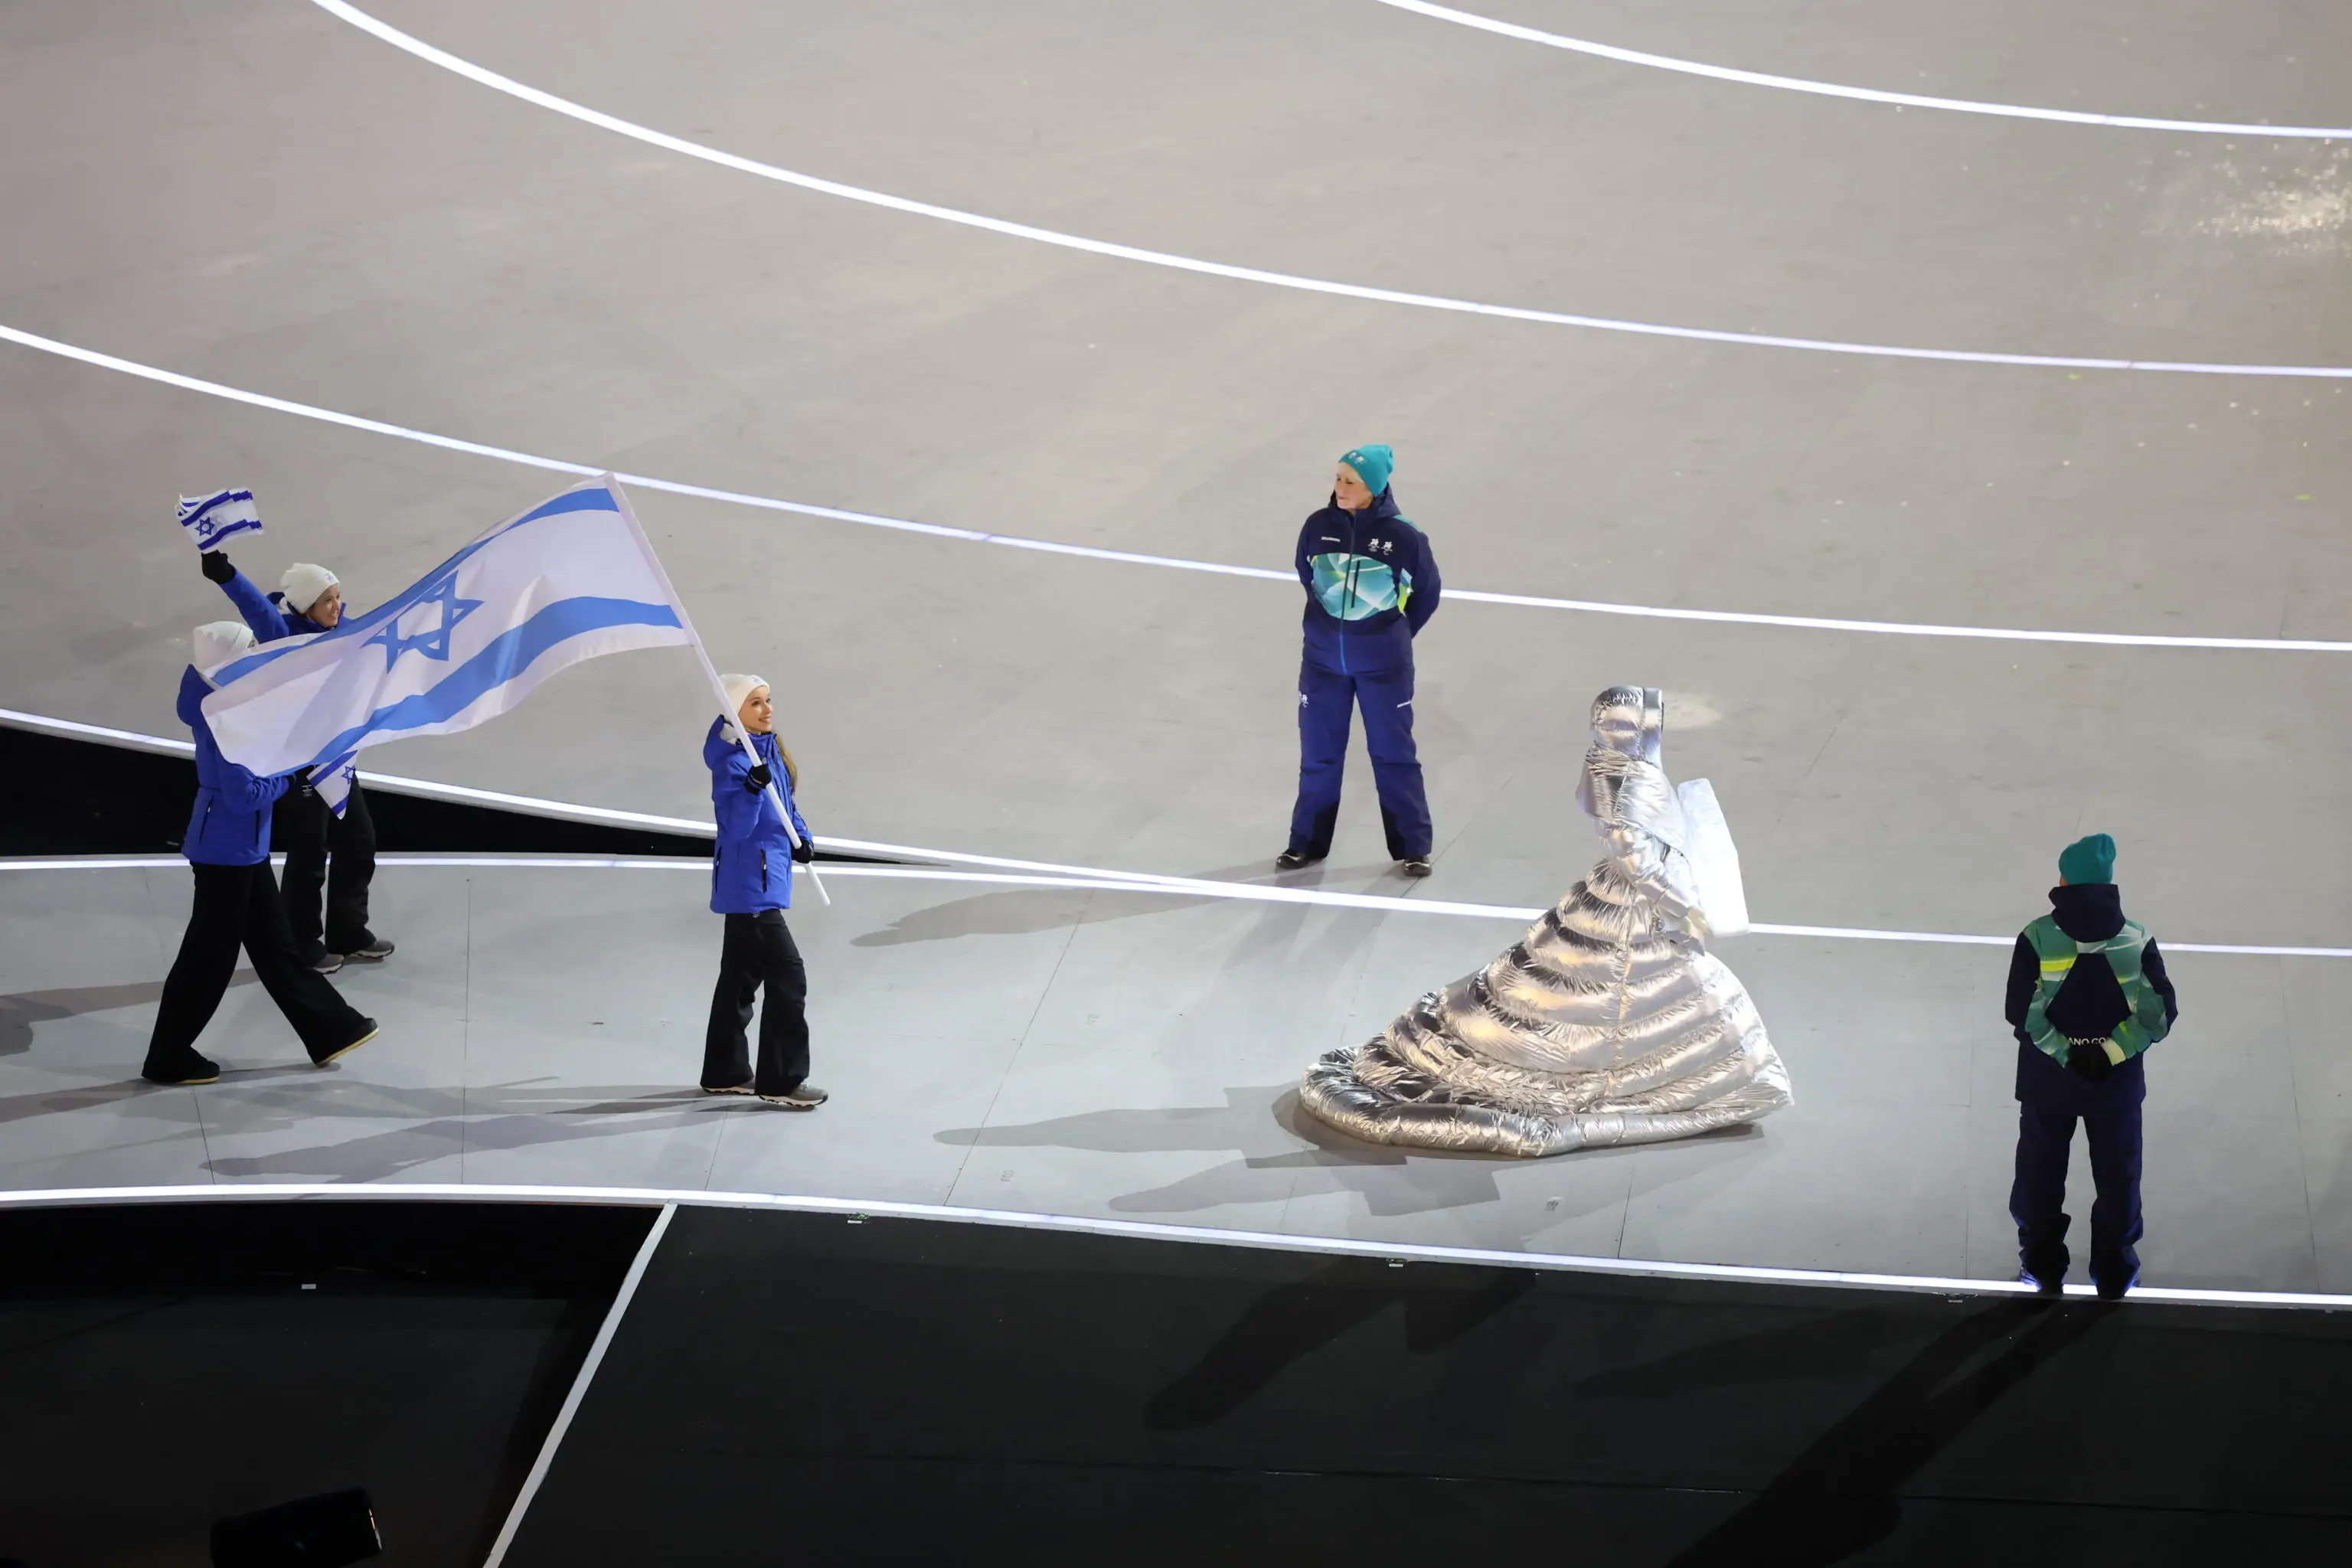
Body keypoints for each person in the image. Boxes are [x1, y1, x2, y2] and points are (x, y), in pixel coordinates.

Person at [1299, 686, 1790, 1155]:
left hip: (1630, 905)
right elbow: (1634, 856)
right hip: (1634, 910)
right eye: (1641, 720)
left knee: (1666, 989)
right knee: (1658, 992)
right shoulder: (1617, 781)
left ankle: (1702, 1080)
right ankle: (1656, 1083)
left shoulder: (1625, 766)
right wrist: (1683, 906)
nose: (1651, 727)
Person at [142, 622, 378, 1086]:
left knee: (277, 948)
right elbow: (241, 795)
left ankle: (331, 1028)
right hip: (225, 853)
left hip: (242, 849)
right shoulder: (225, 718)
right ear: (229, 659)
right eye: (250, 648)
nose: (259, 652)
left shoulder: (228, 705)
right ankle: (167, 1056)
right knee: (207, 961)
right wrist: (287, 777)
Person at [199, 548, 391, 975]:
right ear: (306, 605)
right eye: (327, 600)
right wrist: (226, 574)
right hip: (302, 763)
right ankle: (302, 943)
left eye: (339, 596)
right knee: (309, 854)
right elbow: (253, 605)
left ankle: (348, 932)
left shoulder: (341, 630)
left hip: (337, 758)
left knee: (359, 842)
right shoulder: (284, 636)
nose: (337, 606)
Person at [2004, 833, 2180, 1299]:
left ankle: (2041, 1270)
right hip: (2116, 1088)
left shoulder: (2037, 936)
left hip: (2048, 1085)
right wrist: (2107, 1054)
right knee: (2119, 1178)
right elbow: (2157, 1015)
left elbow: (2023, 1013)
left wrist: (2068, 1053)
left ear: (2063, 880)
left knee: (2039, 1176)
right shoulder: (2135, 939)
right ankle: (2116, 1274)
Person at [1279, 444, 1442, 877]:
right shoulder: (1317, 526)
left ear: (1375, 485)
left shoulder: (1404, 538)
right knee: (1319, 755)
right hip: (1322, 665)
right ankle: (1306, 843)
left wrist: (1392, 636)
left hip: (1384, 669)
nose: (1340, 488)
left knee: (1393, 754)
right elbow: (1307, 576)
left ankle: (1413, 846)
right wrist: (1329, 631)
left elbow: (1427, 593)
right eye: (1337, 478)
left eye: (1351, 481)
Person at [702, 674, 824, 1108]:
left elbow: (787, 809)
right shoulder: (732, 764)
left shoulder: (767, 750)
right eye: (755, 704)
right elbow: (737, 827)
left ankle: (724, 1071)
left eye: (768, 700)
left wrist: (802, 840)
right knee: (789, 977)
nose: (768, 710)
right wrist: (753, 788)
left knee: (738, 980)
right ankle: (781, 1081)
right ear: (735, 711)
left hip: (764, 877)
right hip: (751, 885)